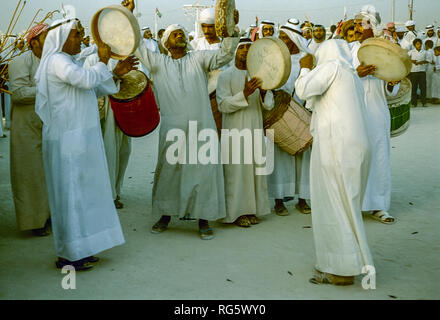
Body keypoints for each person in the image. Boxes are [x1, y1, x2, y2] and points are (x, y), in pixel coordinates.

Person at [35, 18, 130, 270]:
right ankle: (69, 255)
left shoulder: (69, 62)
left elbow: (90, 90)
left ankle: (83, 248)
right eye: (76, 35)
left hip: (81, 140)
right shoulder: (56, 61)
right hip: (68, 143)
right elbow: (85, 80)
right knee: (71, 197)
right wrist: (101, 61)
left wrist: (115, 73)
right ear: (62, 38)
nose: (80, 39)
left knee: (84, 196)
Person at [134, 22, 240, 240]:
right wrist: (132, 15)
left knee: (204, 172)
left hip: (202, 126)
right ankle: (165, 215)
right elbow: (138, 46)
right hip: (173, 129)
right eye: (174, 34)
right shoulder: (158, 63)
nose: (180, 35)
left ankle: (203, 219)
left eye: (181, 33)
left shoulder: (198, 58)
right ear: (166, 43)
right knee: (169, 172)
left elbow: (224, 56)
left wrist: (230, 29)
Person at [295, 39, 374, 286]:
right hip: (355, 149)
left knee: (333, 205)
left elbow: (303, 90)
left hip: (336, 147)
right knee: (347, 207)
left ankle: (341, 270)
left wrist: (306, 68)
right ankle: (347, 263)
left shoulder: (332, 69)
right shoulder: (351, 76)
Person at [216, 38, 272, 227]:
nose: (246, 51)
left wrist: (263, 93)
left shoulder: (259, 75)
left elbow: (269, 105)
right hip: (234, 131)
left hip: (255, 128)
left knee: (254, 169)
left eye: (249, 47)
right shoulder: (225, 76)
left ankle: (252, 209)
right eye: (242, 48)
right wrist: (245, 94)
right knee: (237, 171)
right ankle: (236, 213)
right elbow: (222, 105)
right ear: (235, 51)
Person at [353, 8, 399, 225]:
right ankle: (354, 206)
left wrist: (392, 83)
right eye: (358, 24)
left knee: (380, 157)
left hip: (377, 112)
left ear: (373, 26)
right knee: (355, 158)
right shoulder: (348, 49)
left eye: (363, 24)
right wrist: (356, 73)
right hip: (353, 113)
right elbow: (339, 77)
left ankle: (379, 205)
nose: (359, 28)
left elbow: (392, 84)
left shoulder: (386, 49)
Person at [8, 24, 51, 236]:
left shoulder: (53, 61)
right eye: (46, 37)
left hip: (49, 123)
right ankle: (33, 222)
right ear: (34, 42)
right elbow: (18, 93)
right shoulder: (19, 61)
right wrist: (49, 88)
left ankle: (48, 216)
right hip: (26, 126)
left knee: (48, 173)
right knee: (29, 174)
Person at [268, 21, 312, 216]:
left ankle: (302, 198)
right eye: (281, 37)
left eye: (286, 38)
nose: (283, 41)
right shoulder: (275, 59)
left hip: (303, 114)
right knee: (279, 158)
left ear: (296, 39)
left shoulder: (307, 59)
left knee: (304, 158)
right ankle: (279, 200)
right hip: (280, 115)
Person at [84, 54, 138, 210]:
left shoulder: (127, 57)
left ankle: (116, 190)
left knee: (123, 152)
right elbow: (92, 87)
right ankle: (107, 195)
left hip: (124, 110)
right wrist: (115, 75)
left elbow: (135, 81)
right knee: (107, 152)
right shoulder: (92, 59)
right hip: (104, 113)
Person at [408, 38, 429, 107]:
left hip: (422, 71)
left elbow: (428, 60)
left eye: (420, 44)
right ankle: (414, 103)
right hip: (414, 72)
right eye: (417, 44)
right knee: (414, 87)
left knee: (423, 87)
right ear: (414, 45)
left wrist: (421, 62)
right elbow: (406, 59)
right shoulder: (411, 52)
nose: (419, 45)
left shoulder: (424, 52)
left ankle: (424, 102)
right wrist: (412, 61)